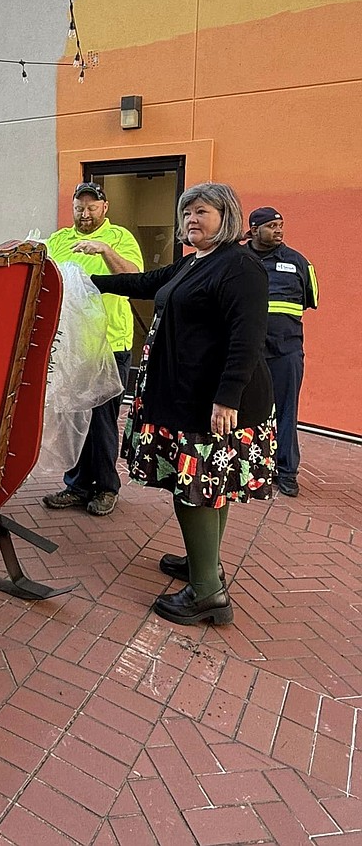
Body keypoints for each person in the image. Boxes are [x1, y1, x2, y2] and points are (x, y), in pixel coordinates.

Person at [93, 182, 274, 626]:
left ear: (226, 216)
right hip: (186, 395)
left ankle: (207, 593)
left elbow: (247, 337)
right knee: (210, 489)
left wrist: (227, 397)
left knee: (192, 489)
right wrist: (82, 280)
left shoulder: (240, 266)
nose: (192, 219)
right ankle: (204, 563)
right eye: (187, 212)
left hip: (212, 401)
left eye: (203, 212)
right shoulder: (194, 262)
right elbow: (142, 282)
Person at [42, 181, 143, 516]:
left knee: (101, 419)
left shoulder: (120, 239)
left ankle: (105, 487)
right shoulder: (59, 240)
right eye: (79, 207)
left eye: (91, 206)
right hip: (72, 347)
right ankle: (77, 485)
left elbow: (135, 278)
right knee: (73, 414)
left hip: (110, 344)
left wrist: (105, 250)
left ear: (105, 207)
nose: (85, 213)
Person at [246, 207, 318, 498]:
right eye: (272, 225)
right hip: (246, 352)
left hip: (286, 350)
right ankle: (249, 468)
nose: (279, 230)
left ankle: (286, 472)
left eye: (281, 225)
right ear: (253, 230)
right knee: (244, 412)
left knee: (286, 412)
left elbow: (310, 299)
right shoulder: (237, 260)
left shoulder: (297, 262)